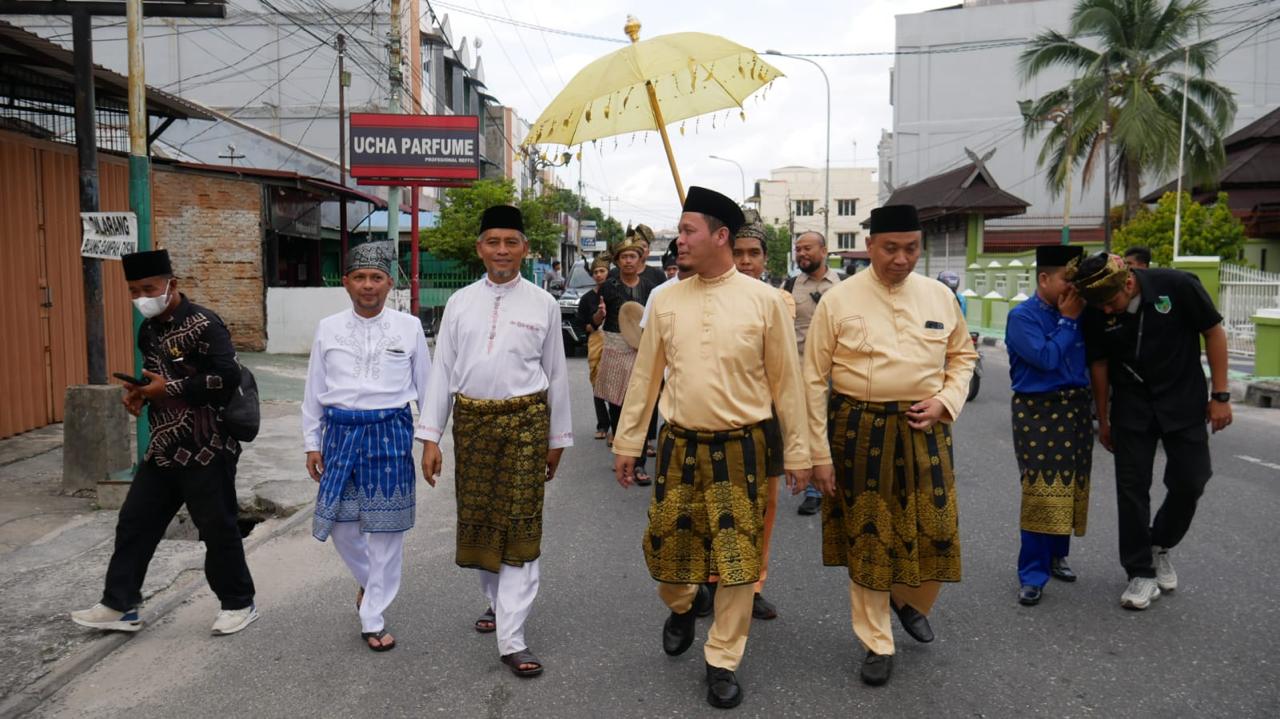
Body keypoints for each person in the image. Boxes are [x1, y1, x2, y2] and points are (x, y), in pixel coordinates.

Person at [614, 187, 812, 709]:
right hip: (678, 446)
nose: (677, 241)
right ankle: (681, 606)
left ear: (720, 237)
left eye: (686, 231)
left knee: (738, 560)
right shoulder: (666, 301)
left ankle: (722, 658)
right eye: (679, 232)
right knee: (666, 554)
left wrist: (798, 452)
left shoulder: (767, 302)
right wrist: (628, 441)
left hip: (743, 449)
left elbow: (787, 384)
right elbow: (645, 379)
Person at [804, 204, 977, 687]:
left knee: (937, 527)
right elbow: (813, 380)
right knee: (870, 536)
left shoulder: (940, 296)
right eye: (890, 248)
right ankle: (876, 639)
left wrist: (946, 400)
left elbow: (963, 357)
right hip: (858, 428)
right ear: (870, 247)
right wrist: (817, 453)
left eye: (911, 248)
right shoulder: (838, 300)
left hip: (926, 427)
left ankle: (909, 599)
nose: (902, 259)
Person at [418, 205, 572, 677]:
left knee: (521, 525)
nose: (502, 250)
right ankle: (497, 601)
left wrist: (557, 437)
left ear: (525, 248)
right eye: (493, 242)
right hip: (473, 426)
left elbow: (558, 375)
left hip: (526, 424)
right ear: (480, 248)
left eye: (511, 242)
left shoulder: (542, 304)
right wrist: (430, 437)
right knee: (482, 521)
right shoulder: (461, 302)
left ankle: (513, 638)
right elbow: (442, 371)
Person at [71, 249, 257, 636]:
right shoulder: (149, 330)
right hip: (163, 446)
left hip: (207, 445)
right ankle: (121, 605)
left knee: (217, 529)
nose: (141, 297)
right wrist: (140, 393)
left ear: (171, 283)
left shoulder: (205, 324)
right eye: (134, 290)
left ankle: (238, 603)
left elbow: (226, 377)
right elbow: (156, 379)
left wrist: (167, 387)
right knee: (135, 523)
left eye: (148, 288)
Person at [1071, 252, 1232, 610]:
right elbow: (1098, 364)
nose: (1108, 312)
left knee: (1192, 480)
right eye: (1101, 308)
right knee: (1131, 491)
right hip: (1132, 409)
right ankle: (1139, 572)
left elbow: (1213, 332)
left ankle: (1160, 542)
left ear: (1129, 283)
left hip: (1184, 403)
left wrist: (1220, 395)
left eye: (1112, 303)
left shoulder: (1177, 286)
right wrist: (1104, 418)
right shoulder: (1098, 308)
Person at [302, 243, 431, 651]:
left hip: (390, 432)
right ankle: (369, 583)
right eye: (359, 277)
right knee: (341, 526)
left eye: (376, 278)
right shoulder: (328, 328)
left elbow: (427, 389)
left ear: (389, 283)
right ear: (346, 283)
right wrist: (311, 442)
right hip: (339, 434)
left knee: (387, 531)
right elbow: (313, 391)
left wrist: (431, 441)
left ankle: (372, 616)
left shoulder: (409, 328)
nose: (368, 285)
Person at [1003, 245, 1091, 607]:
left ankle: (1058, 556)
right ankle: (1032, 573)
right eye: (1067, 282)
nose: (1074, 290)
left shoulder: (1082, 312)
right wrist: (1069, 320)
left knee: (1070, 485)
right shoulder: (1022, 317)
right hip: (1038, 411)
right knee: (1041, 489)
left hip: (1077, 410)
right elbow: (1045, 358)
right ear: (1044, 278)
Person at [730, 211, 796, 621]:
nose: (746, 262)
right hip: (720, 417)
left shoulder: (779, 300)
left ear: (765, 260)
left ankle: (753, 583)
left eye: (753, 253)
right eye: (737, 253)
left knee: (763, 505)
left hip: (766, 416)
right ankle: (714, 580)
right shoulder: (703, 295)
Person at [594, 234, 661, 481]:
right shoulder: (609, 286)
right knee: (617, 406)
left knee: (640, 405)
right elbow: (596, 320)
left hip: (642, 350)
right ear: (618, 261)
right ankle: (622, 452)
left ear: (639, 258)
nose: (629, 261)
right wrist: (600, 315)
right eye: (624, 257)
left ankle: (640, 462)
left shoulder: (650, 288)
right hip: (614, 348)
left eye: (632, 256)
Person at [786, 230, 842, 516]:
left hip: (838, 371)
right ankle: (813, 490)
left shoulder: (843, 286)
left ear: (824, 250)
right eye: (798, 249)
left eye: (807, 248)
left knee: (838, 427)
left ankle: (837, 480)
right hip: (802, 370)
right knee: (810, 427)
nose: (802, 254)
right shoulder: (790, 286)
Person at [577, 255, 613, 440]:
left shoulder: (617, 292)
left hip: (616, 340)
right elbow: (582, 323)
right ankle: (603, 424)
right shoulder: (587, 299)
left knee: (616, 383)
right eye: (595, 272)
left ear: (608, 272)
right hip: (596, 341)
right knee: (597, 382)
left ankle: (617, 428)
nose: (599, 275)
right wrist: (594, 322)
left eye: (602, 271)